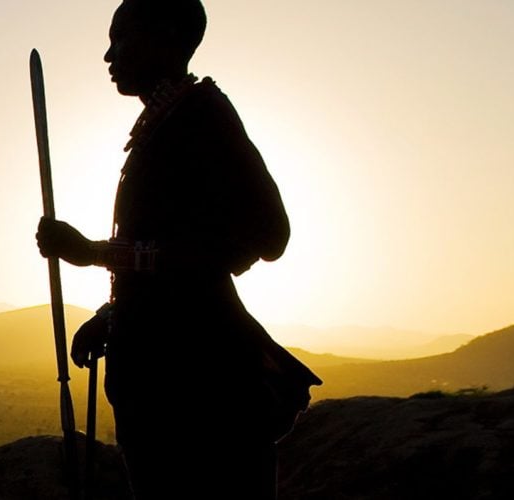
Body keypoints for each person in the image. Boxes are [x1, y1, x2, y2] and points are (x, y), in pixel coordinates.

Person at [34, 1, 322, 498]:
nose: (108, 56)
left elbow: (267, 235)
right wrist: (116, 314)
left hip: (201, 387)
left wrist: (95, 252)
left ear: (164, 38)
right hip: (163, 378)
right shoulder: (163, 125)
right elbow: (174, 253)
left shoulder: (203, 115)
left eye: (119, 39)